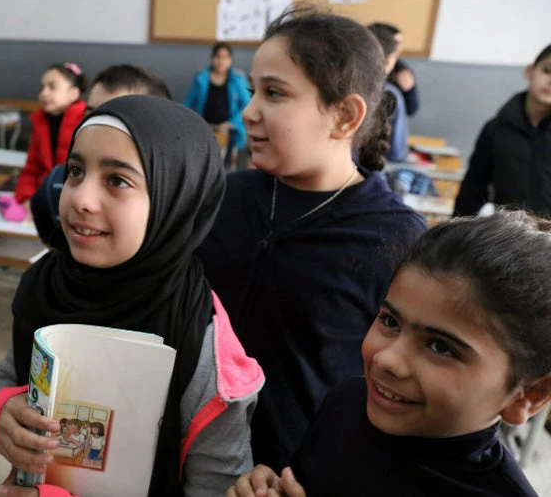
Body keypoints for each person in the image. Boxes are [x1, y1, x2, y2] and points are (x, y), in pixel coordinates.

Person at [0, 96, 264, 497]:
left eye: (117, 180)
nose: (80, 198)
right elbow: (7, 379)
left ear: (175, 200)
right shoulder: (45, 283)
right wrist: (0, 414)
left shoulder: (201, 341)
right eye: (76, 171)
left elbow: (216, 487)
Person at [197, 8, 428, 471]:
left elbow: (401, 387)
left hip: (299, 473)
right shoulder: (225, 196)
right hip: (191, 454)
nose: (249, 111)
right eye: (252, 91)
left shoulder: (396, 238)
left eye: (275, 93)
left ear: (344, 116)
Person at [228, 211, 551, 497]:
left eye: (441, 346)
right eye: (390, 321)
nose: (386, 360)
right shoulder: (347, 403)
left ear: (530, 396)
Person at [30, 64, 172, 248]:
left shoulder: (172, 199)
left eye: (117, 181)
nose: (81, 200)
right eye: (90, 114)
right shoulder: (54, 185)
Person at [453, 44, 551, 217]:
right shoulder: (496, 129)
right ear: (529, 71)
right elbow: (473, 190)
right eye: (547, 71)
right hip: (509, 236)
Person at [14, 63, 87, 210]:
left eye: (52, 87)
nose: (44, 93)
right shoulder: (41, 122)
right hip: (49, 198)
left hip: (78, 202)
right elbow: (32, 167)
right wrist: (26, 197)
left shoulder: (86, 122)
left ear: (73, 93)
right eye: (42, 87)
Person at [184, 42, 251, 168]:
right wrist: (186, 119)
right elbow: (188, 102)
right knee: (203, 162)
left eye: (225, 57)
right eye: (218, 56)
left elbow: (247, 104)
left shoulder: (238, 79)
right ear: (212, 58)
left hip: (230, 130)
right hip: (205, 127)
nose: (221, 61)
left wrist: (231, 123)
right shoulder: (201, 78)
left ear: (230, 59)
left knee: (226, 164)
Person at [368, 24, 409, 162]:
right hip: (378, 167)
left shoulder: (339, 84)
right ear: (389, 60)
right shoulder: (391, 94)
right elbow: (397, 151)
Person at [369, 23, 420, 117]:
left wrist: (409, 90)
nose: (399, 48)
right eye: (396, 43)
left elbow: (412, 109)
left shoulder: (401, 70)